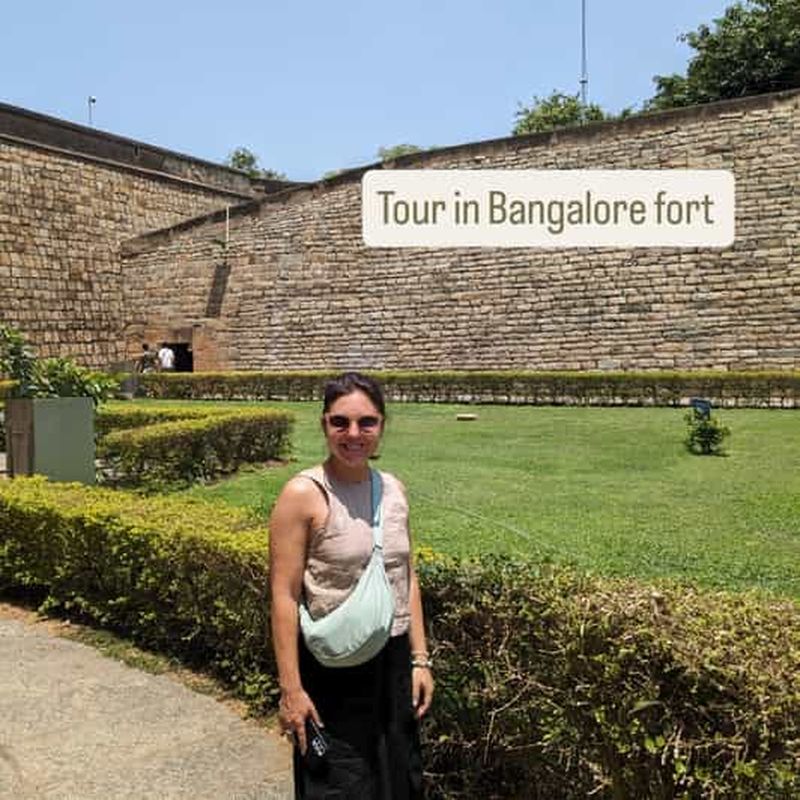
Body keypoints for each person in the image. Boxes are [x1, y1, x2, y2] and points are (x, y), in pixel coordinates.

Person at [270, 372, 433, 799]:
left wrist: (420, 659)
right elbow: (284, 597)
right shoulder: (303, 494)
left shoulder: (393, 490)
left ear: (382, 426)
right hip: (332, 669)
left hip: (393, 659)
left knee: (399, 776)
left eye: (367, 422)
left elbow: (406, 575)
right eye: (340, 422)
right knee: (341, 783)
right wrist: (291, 689)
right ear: (324, 424)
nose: (354, 434)